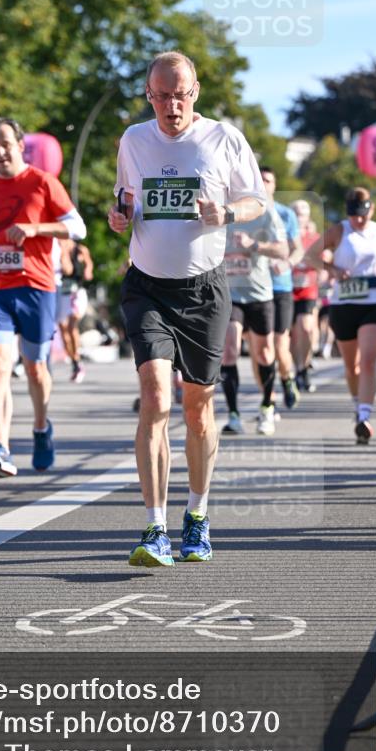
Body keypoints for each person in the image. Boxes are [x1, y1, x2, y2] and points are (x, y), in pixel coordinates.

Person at [108, 51, 266, 567]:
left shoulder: (223, 138)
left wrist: (228, 211)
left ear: (195, 91)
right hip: (147, 287)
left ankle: (196, 516)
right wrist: (119, 216)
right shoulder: (133, 140)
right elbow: (125, 198)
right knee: (155, 398)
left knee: (197, 408)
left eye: (180, 94)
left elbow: (257, 201)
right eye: (160, 95)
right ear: (148, 95)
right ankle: (154, 527)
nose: (170, 105)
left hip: (204, 291)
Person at [0, 118, 86, 478]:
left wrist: (36, 229)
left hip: (36, 285)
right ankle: (0, 443)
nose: (0, 152)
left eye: (6, 144)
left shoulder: (43, 182)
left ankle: (41, 427)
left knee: (35, 367)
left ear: (20, 145)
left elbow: (77, 228)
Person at [303, 187, 376, 443]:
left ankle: (365, 417)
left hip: (375, 302)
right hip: (344, 304)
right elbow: (310, 255)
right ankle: (358, 407)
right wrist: (331, 269)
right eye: (354, 215)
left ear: (372, 210)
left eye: (363, 215)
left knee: (368, 361)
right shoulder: (339, 231)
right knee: (351, 365)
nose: (359, 220)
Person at [220, 180, 288, 437]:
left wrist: (254, 245)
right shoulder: (216, 208)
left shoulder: (263, 210)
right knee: (229, 351)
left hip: (259, 293)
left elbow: (282, 249)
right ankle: (233, 414)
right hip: (229, 293)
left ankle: (267, 407)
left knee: (264, 353)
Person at [259, 166, 302, 410]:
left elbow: (298, 249)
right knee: (261, 350)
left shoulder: (286, 215)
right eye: (260, 179)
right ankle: (269, 400)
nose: (263, 184)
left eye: (268, 180)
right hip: (253, 288)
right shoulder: (246, 214)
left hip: (280, 287)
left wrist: (287, 263)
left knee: (279, 344)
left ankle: (287, 378)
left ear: (275, 185)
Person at [290, 200, 320, 393]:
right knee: (293, 334)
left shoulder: (315, 238)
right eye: (297, 212)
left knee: (306, 327)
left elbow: (324, 262)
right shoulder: (284, 236)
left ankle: (305, 366)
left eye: (304, 212)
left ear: (308, 216)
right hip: (287, 290)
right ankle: (299, 369)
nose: (300, 216)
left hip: (308, 290)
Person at [56, 239, 94, 383]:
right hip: (62, 292)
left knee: (72, 324)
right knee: (63, 329)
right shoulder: (57, 247)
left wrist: (88, 270)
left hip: (77, 292)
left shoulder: (80, 249)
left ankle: (76, 356)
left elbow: (88, 264)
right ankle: (75, 361)